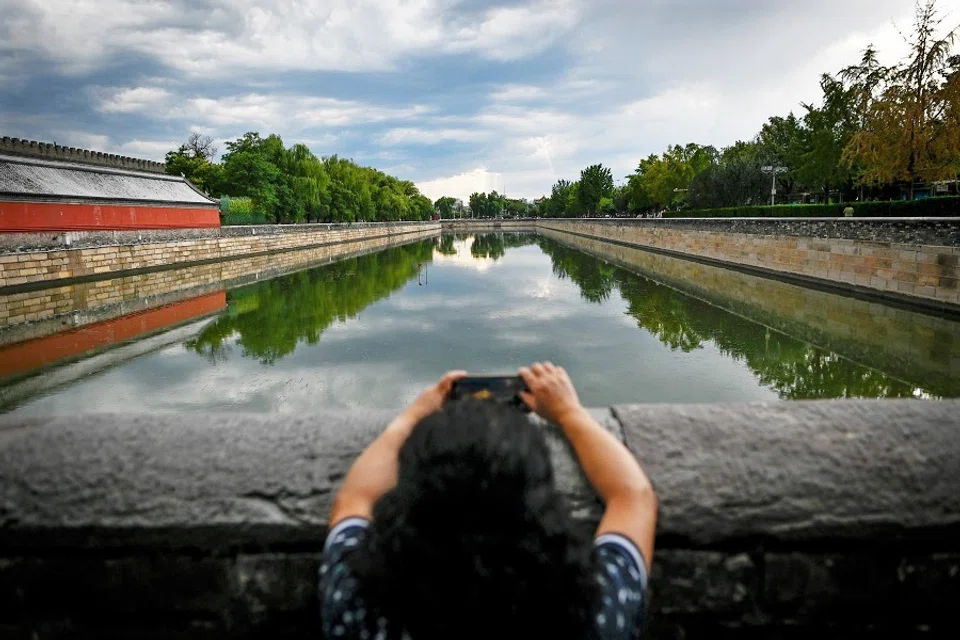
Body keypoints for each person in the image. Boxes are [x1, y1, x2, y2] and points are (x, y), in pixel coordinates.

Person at [319, 363, 658, 639]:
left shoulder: (360, 606)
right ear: (540, 502)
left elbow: (353, 500)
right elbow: (633, 497)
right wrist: (570, 414)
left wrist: (409, 419)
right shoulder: (595, 612)